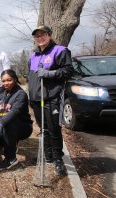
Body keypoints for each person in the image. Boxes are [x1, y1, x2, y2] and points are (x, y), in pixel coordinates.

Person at [28, 25, 74, 176]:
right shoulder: (32, 55)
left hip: (52, 97)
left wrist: (49, 73)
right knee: (44, 129)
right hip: (37, 98)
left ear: (50, 35)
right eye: (37, 36)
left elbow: (68, 71)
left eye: (43, 34)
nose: (40, 38)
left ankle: (58, 160)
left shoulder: (60, 51)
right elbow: (31, 77)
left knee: (54, 129)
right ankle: (47, 156)